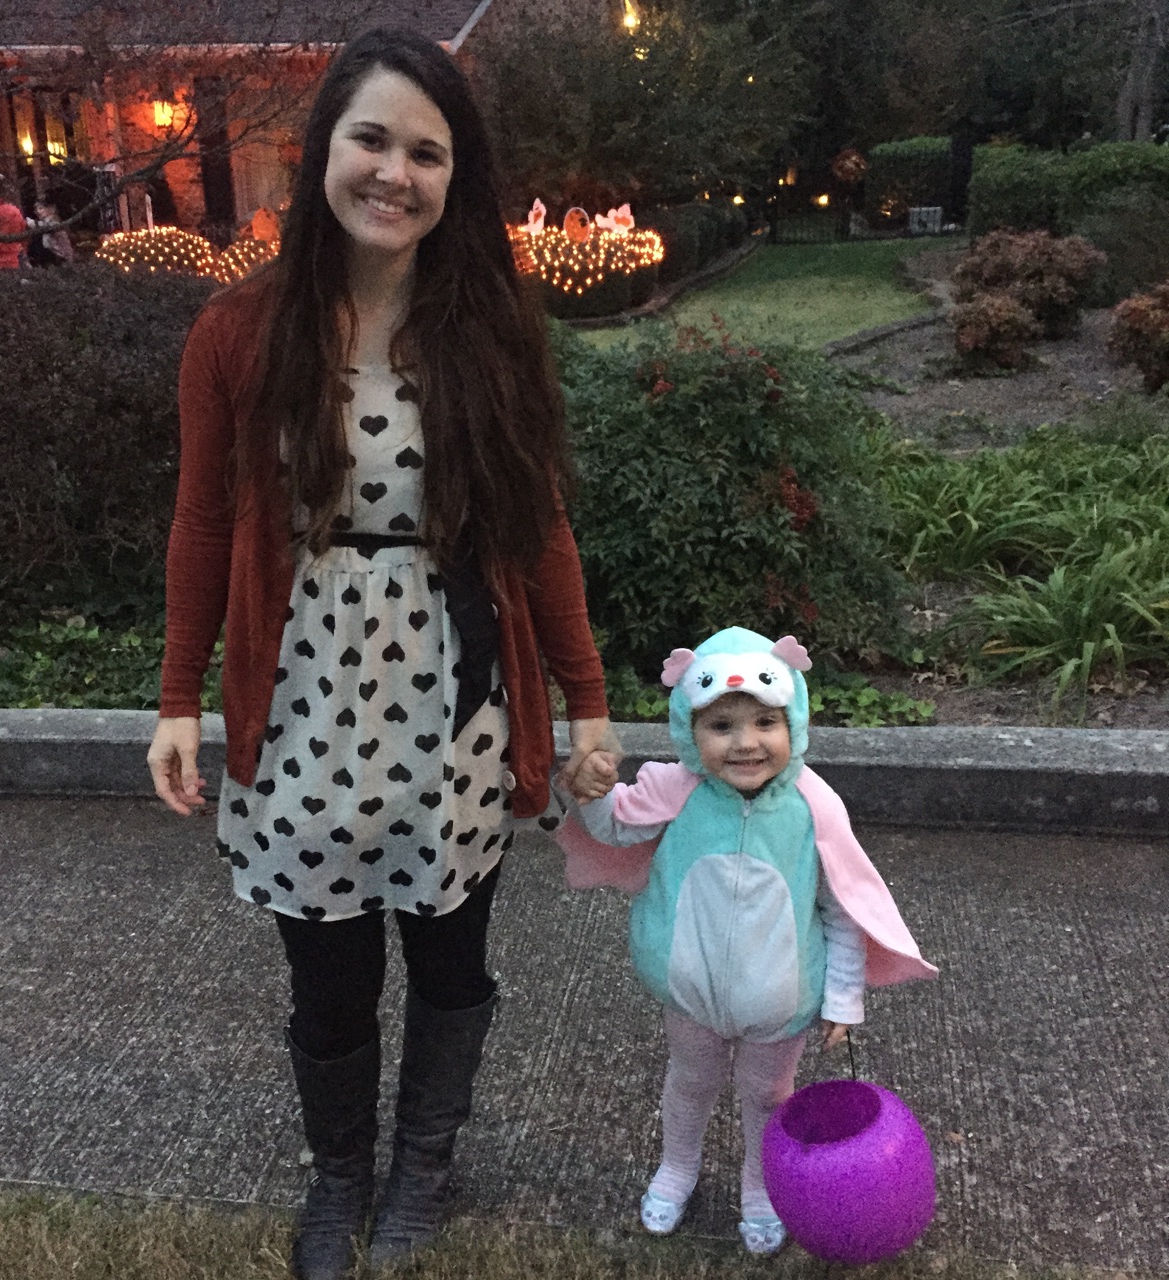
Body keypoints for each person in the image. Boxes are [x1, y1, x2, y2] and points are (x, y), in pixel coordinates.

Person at [146, 27, 618, 1280]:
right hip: (302, 697)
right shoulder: (237, 332)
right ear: (324, 151)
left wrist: (584, 699)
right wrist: (178, 695)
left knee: (451, 952)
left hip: (454, 694)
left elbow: (539, 528)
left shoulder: (487, 329)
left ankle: (423, 1162)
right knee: (329, 968)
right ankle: (340, 1171)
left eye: (426, 152)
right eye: (371, 139)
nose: (393, 173)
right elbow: (202, 522)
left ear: (455, 177)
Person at [559, 626, 937, 1256]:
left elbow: (841, 906)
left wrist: (843, 997)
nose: (746, 743)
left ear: (794, 723)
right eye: (721, 726)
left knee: (768, 1097)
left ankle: (762, 1187)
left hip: (780, 1001)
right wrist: (592, 793)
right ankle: (677, 1169)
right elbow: (616, 825)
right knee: (689, 1081)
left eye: (766, 722)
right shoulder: (676, 789)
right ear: (689, 731)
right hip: (690, 990)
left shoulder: (813, 806)